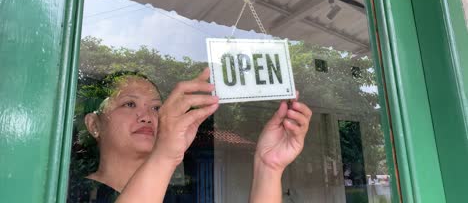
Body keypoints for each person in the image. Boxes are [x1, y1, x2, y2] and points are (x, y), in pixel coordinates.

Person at [68, 68, 312, 203]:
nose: (147, 116)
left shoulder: (177, 198)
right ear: (94, 124)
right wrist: (165, 155)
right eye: (129, 104)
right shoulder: (67, 191)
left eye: (155, 107)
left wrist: (268, 167)